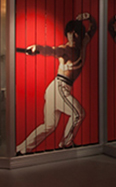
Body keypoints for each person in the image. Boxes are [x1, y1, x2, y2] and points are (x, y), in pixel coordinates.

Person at [16, 13, 97, 154]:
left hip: (56, 89)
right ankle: (66, 143)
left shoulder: (82, 44)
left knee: (49, 126)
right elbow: (52, 50)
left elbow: (93, 28)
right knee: (78, 114)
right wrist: (37, 48)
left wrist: (87, 17)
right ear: (67, 34)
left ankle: (21, 150)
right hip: (59, 88)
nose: (73, 36)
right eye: (70, 33)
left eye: (76, 33)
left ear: (80, 35)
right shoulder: (65, 49)